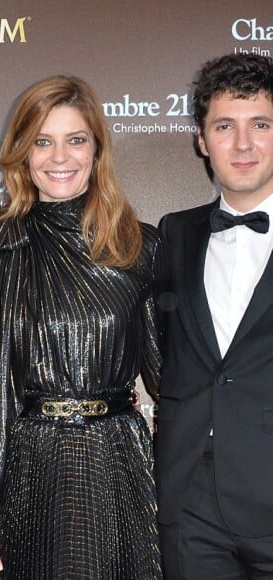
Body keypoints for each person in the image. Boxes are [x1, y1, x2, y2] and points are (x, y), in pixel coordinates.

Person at [0, 75, 163, 579]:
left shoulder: (140, 246)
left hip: (120, 464)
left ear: (96, 149)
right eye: (43, 141)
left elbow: (172, 382)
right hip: (30, 469)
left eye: (75, 140)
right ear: (24, 152)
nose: (58, 157)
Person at [155, 53, 273, 578]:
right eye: (225, 126)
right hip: (190, 500)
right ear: (202, 140)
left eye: (261, 125)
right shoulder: (172, 233)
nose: (243, 144)